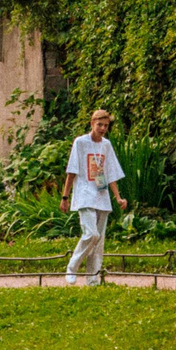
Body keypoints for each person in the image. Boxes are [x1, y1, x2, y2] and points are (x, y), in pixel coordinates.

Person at [63, 108, 126, 286]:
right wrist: (65, 196)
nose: (102, 128)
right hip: (84, 193)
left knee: (99, 241)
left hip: (101, 194)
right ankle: (72, 266)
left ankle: (93, 279)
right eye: (99, 124)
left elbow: (111, 172)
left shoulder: (106, 145)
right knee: (91, 234)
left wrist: (118, 197)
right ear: (92, 123)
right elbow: (72, 171)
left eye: (106, 125)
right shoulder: (80, 143)